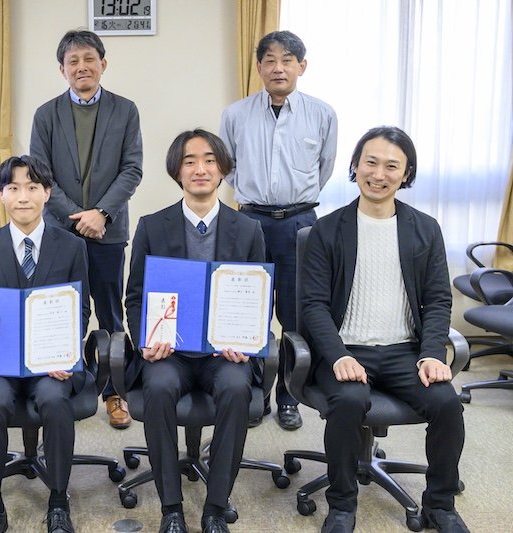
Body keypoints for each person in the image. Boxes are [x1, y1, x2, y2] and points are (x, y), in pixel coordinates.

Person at [300, 127, 468, 533]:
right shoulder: (327, 229)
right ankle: (342, 505)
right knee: (349, 401)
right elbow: (313, 305)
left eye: (391, 166)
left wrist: (431, 354)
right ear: (355, 166)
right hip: (346, 350)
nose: (378, 174)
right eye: (370, 162)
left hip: (404, 352)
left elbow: (438, 300)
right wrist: (338, 355)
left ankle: (440, 505)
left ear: (406, 174)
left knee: (447, 403)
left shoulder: (425, 229)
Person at [124, 130, 265, 533]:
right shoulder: (153, 226)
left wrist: (246, 340)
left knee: (237, 388)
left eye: (209, 160)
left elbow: (259, 297)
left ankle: (215, 507)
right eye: (189, 161)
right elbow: (135, 298)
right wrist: (146, 340)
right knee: (158, 387)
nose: (200, 169)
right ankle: (171, 508)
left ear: (222, 169)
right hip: (171, 353)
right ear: (177, 171)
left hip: (224, 355)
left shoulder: (248, 229)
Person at [0, 155, 90, 533]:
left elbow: (81, 309)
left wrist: (66, 353)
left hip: (51, 362)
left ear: (47, 193)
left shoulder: (71, 246)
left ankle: (58, 500)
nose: (23, 196)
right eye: (13, 188)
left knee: (55, 399)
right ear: (0, 194)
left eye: (32, 187)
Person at [220, 30, 337, 430]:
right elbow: (228, 166)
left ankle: (289, 396)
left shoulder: (321, 114)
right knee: (247, 312)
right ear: (259, 67)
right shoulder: (235, 114)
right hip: (249, 221)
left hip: (300, 224)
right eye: (270, 60)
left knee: (294, 314)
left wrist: (293, 199)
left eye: (287, 60)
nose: (278, 68)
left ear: (302, 66)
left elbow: (324, 167)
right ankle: (255, 394)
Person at [30, 29, 143, 429]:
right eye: (73, 61)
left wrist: (102, 214)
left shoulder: (125, 110)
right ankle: (64, 387)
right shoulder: (46, 115)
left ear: (103, 64)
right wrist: (78, 216)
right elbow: (41, 175)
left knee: (111, 314)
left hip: (108, 231)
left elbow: (132, 169)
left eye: (89, 59)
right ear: (62, 70)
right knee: (60, 312)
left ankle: (115, 392)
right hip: (59, 233)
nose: (82, 67)